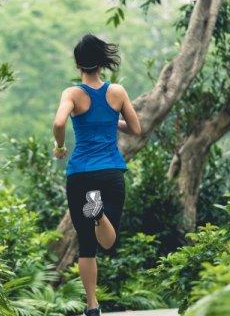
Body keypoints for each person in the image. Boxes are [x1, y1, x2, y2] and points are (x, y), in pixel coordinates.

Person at [51, 34, 141, 316]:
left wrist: (60, 146)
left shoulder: (72, 94)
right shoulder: (117, 92)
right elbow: (136, 129)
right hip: (110, 171)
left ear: (78, 63)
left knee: (87, 245)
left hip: (80, 174)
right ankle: (99, 214)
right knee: (108, 239)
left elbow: (58, 122)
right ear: (102, 62)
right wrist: (112, 120)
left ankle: (92, 306)